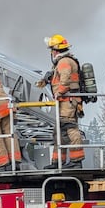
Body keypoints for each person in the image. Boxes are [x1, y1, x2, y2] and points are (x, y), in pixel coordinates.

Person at [36, 34, 85, 169]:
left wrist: (59, 92)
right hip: (65, 102)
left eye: (51, 49)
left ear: (55, 50)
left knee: (69, 128)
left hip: (68, 101)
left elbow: (65, 79)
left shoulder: (64, 62)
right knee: (59, 131)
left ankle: (76, 161)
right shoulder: (64, 62)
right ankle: (58, 162)